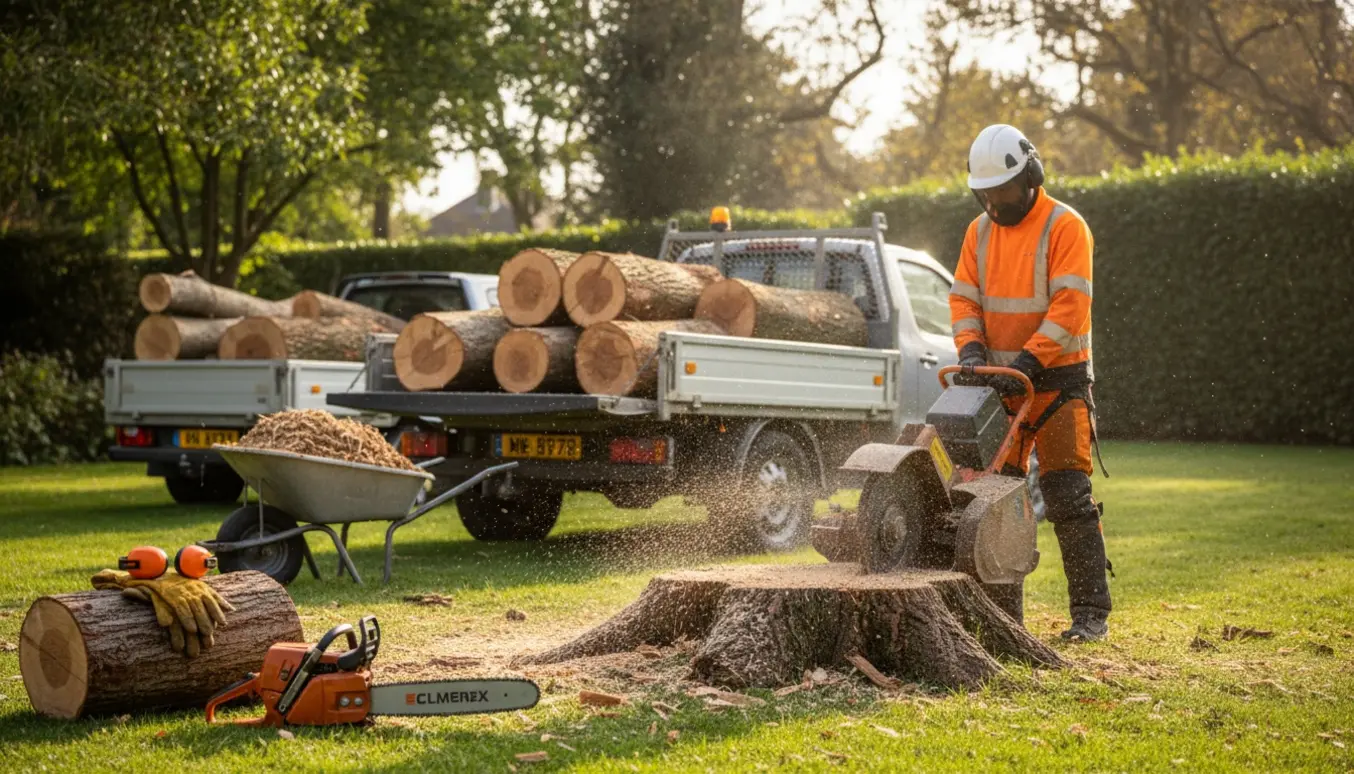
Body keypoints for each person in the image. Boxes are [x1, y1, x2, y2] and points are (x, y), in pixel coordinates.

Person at [948, 124, 1111, 641]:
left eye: (1005, 192)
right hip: (1001, 385)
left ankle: (1090, 614)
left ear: (1031, 177)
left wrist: (1031, 360)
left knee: (1067, 495)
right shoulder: (978, 233)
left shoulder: (1065, 226)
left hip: (1058, 382)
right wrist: (971, 350)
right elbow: (963, 299)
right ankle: (1001, 616)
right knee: (994, 499)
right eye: (988, 194)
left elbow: (1071, 306)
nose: (997, 203)